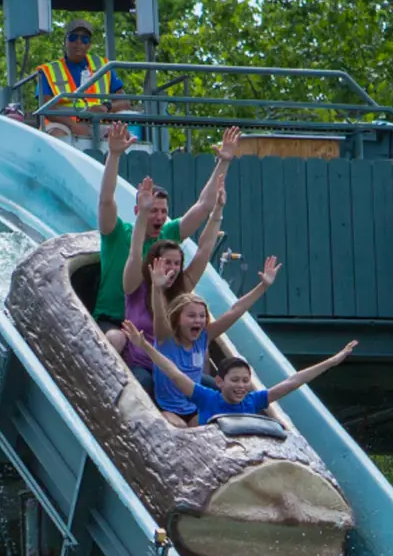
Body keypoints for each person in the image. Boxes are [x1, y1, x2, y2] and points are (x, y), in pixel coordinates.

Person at [94, 121, 241, 356]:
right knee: (116, 339)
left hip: (151, 325)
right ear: (138, 210)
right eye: (153, 210)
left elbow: (204, 206)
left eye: (164, 211)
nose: (160, 216)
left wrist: (223, 162)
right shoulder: (118, 232)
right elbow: (105, 200)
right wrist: (114, 155)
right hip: (113, 319)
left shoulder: (168, 236)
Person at [123, 326, 358, 426]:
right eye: (235, 380)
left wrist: (332, 361)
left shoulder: (253, 401)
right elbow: (174, 373)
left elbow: (293, 381)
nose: (241, 386)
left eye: (245, 381)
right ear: (219, 382)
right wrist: (145, 346)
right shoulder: (207, 397)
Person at [144, 258, 278, 427]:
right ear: (177, 318)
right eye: (191, 316)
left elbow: (236, 310)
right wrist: (157, 288)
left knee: (211, 425)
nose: (198, 320)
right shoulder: (166, 338)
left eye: (202, 316)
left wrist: (263, 286)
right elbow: (159, 315)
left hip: (194, 407)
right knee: (180, 427)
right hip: (168, 408)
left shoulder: (203, 337)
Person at [115, 197, 225, 390]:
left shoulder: (181, 289)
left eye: (177, 264)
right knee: (145, 384)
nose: (173, 268)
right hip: (142, 366)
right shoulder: (134, 286)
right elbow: (135, 252)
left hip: (175, 370)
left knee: (212, 389)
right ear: (154, 262)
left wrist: (217, 212)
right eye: (167, 262)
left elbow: (204, 251)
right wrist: (143, 214)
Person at [36, 18, 132, 139]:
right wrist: (73, 125)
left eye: (84, 39)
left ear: (89, 44)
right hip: (62, 122)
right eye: (73, 37)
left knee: (122, 135)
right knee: (58, 135)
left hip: (97, 121)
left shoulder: (103, 66)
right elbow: (47, 108)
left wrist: (105, 107)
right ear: (65, 41)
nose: (79, 42)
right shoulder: (48, 70)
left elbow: (125, 102)